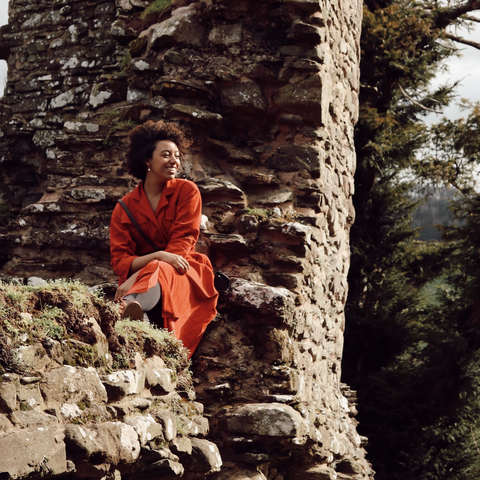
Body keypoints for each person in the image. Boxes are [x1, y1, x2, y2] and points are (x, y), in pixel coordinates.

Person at [109, 120, 218, 357]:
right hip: (142, 280)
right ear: (147, 159)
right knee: (158, 265)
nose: (174, 161)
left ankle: (124, 308)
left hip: (184, 270)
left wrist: (142, 271)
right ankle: (134, 315)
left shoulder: (187, 191)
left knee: (162, 267)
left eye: (177, 155)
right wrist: (157, 256)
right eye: (166, 154)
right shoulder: (124, 207)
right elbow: (120, 260)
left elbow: (183, 242)